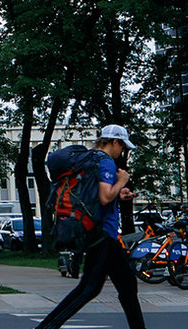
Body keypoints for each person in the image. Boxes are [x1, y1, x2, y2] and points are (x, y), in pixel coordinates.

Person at [35, 125, 144, 329]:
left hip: (98, 232)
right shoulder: (106, 162)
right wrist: (122, 181)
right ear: (114, 142)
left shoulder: (91, 159)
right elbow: (104, 197)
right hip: (103, 234)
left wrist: (119, 194)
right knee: (89, 289)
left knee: (127, 285)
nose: (122, 151)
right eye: (122, 146)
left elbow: (95, 195)